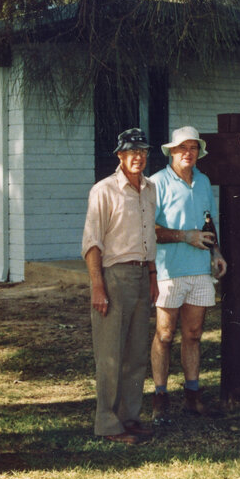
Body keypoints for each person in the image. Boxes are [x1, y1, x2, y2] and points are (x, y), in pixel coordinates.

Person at [82, 128, 158, 444]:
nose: (137, 157)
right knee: (110, 353)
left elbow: (149, 234)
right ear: (120, 156)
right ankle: (108, 423)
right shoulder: (104, 190)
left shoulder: (150, 188)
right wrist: (97, 287)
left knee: (137, 353)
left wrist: (153, 276)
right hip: (114, 277)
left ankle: (130, 416)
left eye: (142, 151)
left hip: (142, 278)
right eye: (131, 152)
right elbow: (92, 243)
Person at [149, 126, 227, 425]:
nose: (188, 153)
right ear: (171, 151)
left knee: (193, 335)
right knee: (165, 335)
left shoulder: (204, 182)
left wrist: (215, 253)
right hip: (169, 271)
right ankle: (159, 398)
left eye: (193, 148)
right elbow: (149, 230)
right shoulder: (156, 183)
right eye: (182, 148)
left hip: (199, 271)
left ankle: (193, 397)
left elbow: (209, 223)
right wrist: (185, 236)